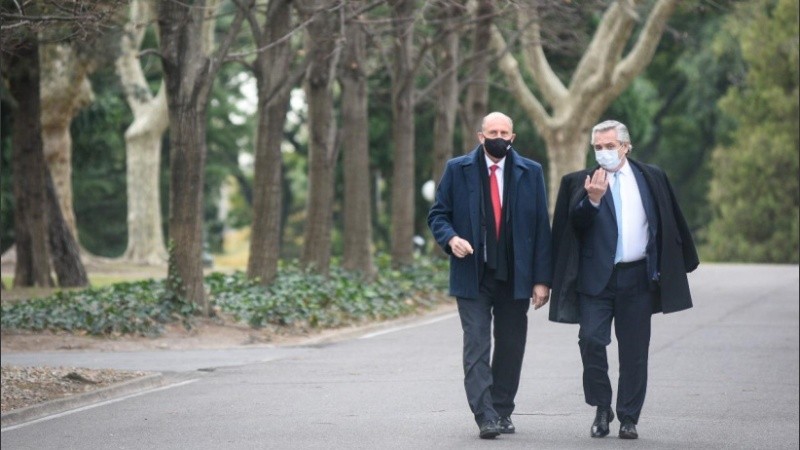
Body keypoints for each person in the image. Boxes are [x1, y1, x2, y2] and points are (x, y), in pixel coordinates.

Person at [549, 119, 699, 440]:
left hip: (637, 277)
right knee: (591, 341)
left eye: (610, 146)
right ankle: (602, 407)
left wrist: (679, 261)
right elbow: (572, 227)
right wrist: (593, 200)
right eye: (598, 147)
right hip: (595, 280)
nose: (603, 152)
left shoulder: (651, 177)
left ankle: (629, 417)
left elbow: (668, 218)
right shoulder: (580, 181)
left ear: (626, 147)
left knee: (634, 352)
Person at [428, 111, 552, 439]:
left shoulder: (531, 172)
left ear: (512, 137)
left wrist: (542, 279)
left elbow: (542, 226)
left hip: (515, 276)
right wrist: (451, 238)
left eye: (504, 132)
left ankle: (502, 409)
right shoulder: (457, 169)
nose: (498, 137)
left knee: (511, 345)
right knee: (477, 345)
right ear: (481, 136)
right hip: (473, 274)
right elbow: (438, 214)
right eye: (492, 132)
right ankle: (485, 415)